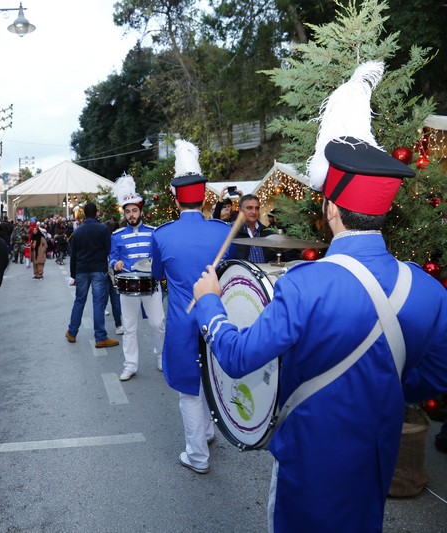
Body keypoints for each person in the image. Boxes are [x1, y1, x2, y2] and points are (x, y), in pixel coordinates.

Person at [191, 61, 447, 532]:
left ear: (331, 208)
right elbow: (436, 374)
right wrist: (377, 391)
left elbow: (239, 356)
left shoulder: (303, 284)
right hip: (376, 451)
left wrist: (210, 302)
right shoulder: (429, 290)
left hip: (309, 457)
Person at [151, 140, 233, 475]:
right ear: (205, 197)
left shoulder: (163, 235)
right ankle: (209, 431)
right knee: (213, 378)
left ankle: (198, 455)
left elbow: (157, 275)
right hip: (219, 317)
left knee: (188, 388)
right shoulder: (224, 231)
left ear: (174, 197)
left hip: (183, 322)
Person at [109, 174, 165, 381]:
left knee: (158, 323)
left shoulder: (153, 233)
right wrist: (115, 264)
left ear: (141, 211)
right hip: (127, 286)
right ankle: (130, 365)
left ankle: (161, 357)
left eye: (134, 211)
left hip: (151, 284)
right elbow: (112, 257)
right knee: (129, 328)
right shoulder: (117, 235)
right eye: (128, 212)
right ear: (124, 213)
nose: (131, 215)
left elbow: (159, 257)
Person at [66, 203, 119, 348]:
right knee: (98, 302)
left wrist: (73, 274)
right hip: (98, 269)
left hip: (82, 270)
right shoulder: (103, 229)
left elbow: (73, 255)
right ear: (96, 213)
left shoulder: (78, 231)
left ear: (84, 214)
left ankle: (72, 332)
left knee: (79, 301)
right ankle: (100, 337)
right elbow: (110, 250)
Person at [233, 194, 271, 263]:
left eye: (256, 208)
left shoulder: (266, 232)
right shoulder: (232, 232)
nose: (254, 212)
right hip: (241, 272)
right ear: (240, 210)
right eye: (249, 208)